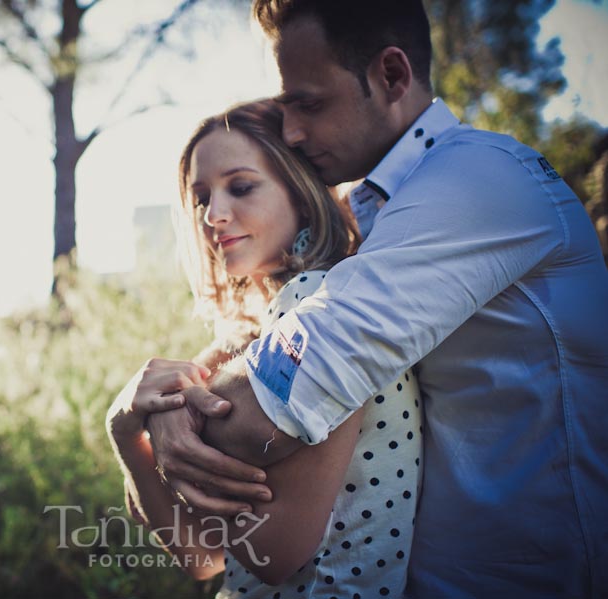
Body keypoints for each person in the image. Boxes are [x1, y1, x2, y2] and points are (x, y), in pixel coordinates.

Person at [145, 1, 608, 597]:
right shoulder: (381, 210)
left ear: (392, 76)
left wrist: (168, 409)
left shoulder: (477, 184)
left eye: (308, 103)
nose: (290, 132)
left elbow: (287, 389)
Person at [107, 99, 423, 598]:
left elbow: (274, 554)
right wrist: (127, 432)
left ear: (299, 190)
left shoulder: (320, 307)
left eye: (241, 187)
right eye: (200, 197)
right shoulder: (246, 339)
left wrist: (177, 426)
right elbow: (201, 560)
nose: (214, 214)